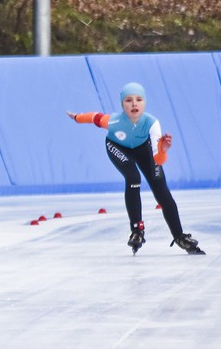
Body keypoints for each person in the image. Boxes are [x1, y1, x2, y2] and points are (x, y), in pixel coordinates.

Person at [66, 82, 204, 255]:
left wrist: (163, 150)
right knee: (133, 178)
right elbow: (95, 118)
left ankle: (179, 236)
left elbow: (158, 160)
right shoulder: (114, 121)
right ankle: (137, 230)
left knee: (160, 187)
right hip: (117, 146)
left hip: (143, 149)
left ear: (144, 103)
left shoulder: (152, 123)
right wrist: (77, 117)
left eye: (139, 99)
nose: (134, 104)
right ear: (122, 104)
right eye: (128, 100)